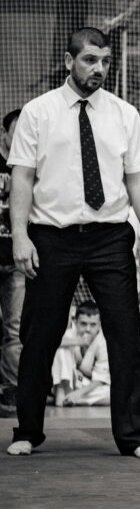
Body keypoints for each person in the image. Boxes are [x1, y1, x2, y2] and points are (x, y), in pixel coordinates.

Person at [7, 28, 140, 458]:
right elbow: (22, 176)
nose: (99, 69)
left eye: (106, 61)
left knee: (126, 335)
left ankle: (135, 437)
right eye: (91, 60)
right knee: (40, 335)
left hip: (111, 235)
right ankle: (27, 431)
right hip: (51, 236)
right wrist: (20, 235)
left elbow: (138, 177)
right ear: (68, 60)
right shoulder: (38, 113)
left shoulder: (124, 114)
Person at [0, 109, 25, 418]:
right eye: (15, 130)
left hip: (16, 259)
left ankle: (11, 392)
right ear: (4, 133)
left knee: (16, 329)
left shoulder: (29, 167)